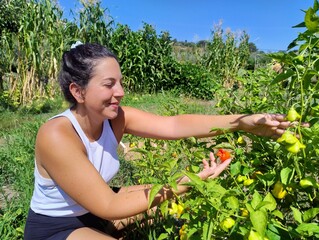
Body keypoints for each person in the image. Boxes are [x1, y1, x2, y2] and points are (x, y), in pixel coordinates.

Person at [24, 42, 290, 240]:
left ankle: (109, 228)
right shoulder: (57, 135)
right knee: (163, 197)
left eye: (120, 82)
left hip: (98, 209)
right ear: (77, 91)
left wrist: (242, 122)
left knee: (167, 205)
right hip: (58, 226)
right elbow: (110, 205)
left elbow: (173, 125)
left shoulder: (115, 118)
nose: (121, 92)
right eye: (109, 84)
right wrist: (189, 181)